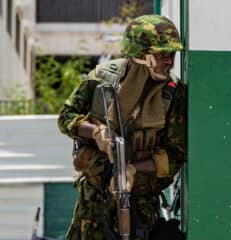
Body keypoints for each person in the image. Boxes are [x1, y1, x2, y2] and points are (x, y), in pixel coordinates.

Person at [58, 14, 187, 240]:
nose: (169, 61)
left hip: (140, 205)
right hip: (94, 203)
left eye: (172, 54)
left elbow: (176, 154)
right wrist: (95, 132)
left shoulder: (173, 94)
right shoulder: (102, 79)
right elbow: (66, 117)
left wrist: (133, 169)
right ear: (141, 56)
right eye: (162, 55)